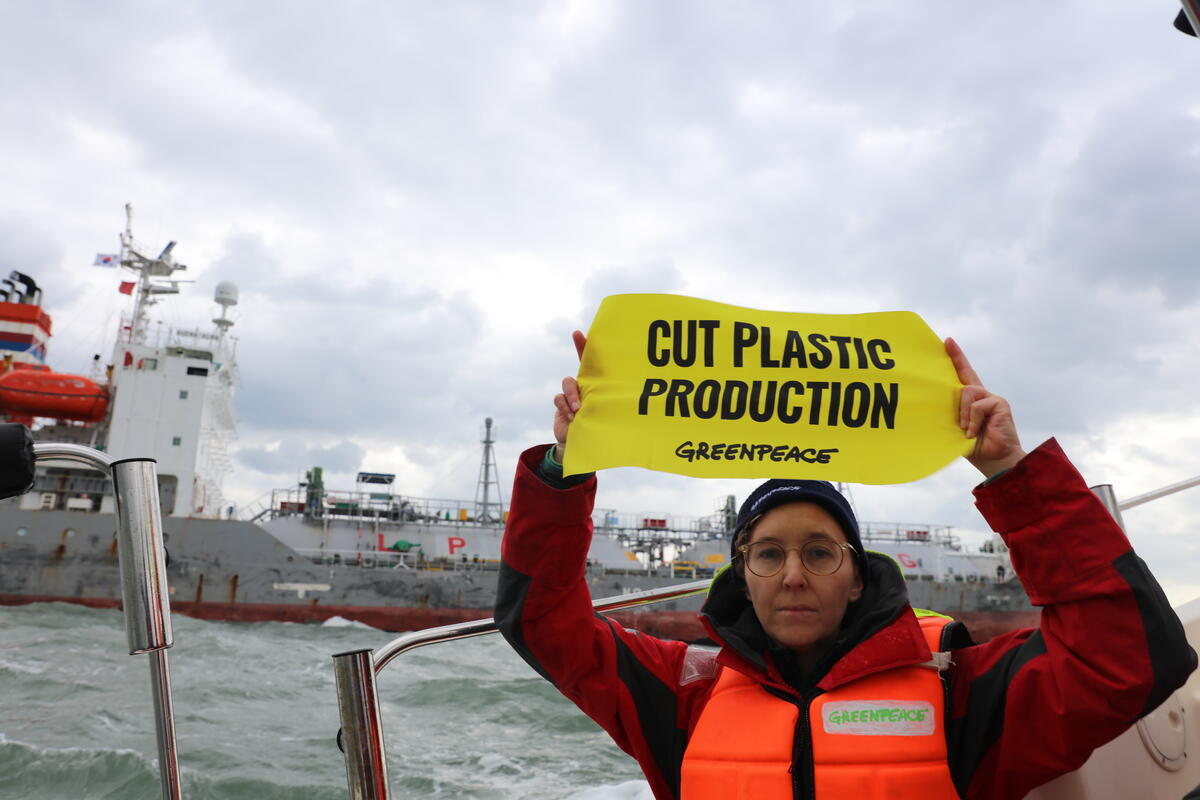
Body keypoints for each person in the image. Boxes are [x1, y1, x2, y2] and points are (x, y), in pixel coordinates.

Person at [495, 333, 1196, 800]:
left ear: (858, 575)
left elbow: (1130, 659)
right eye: (769, 553)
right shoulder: (681, 698)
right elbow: (542, 622)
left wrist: (1012, 474)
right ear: (742, 575)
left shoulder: (959, 693)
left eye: (820, 552)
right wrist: (563, 468)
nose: (793, 574)